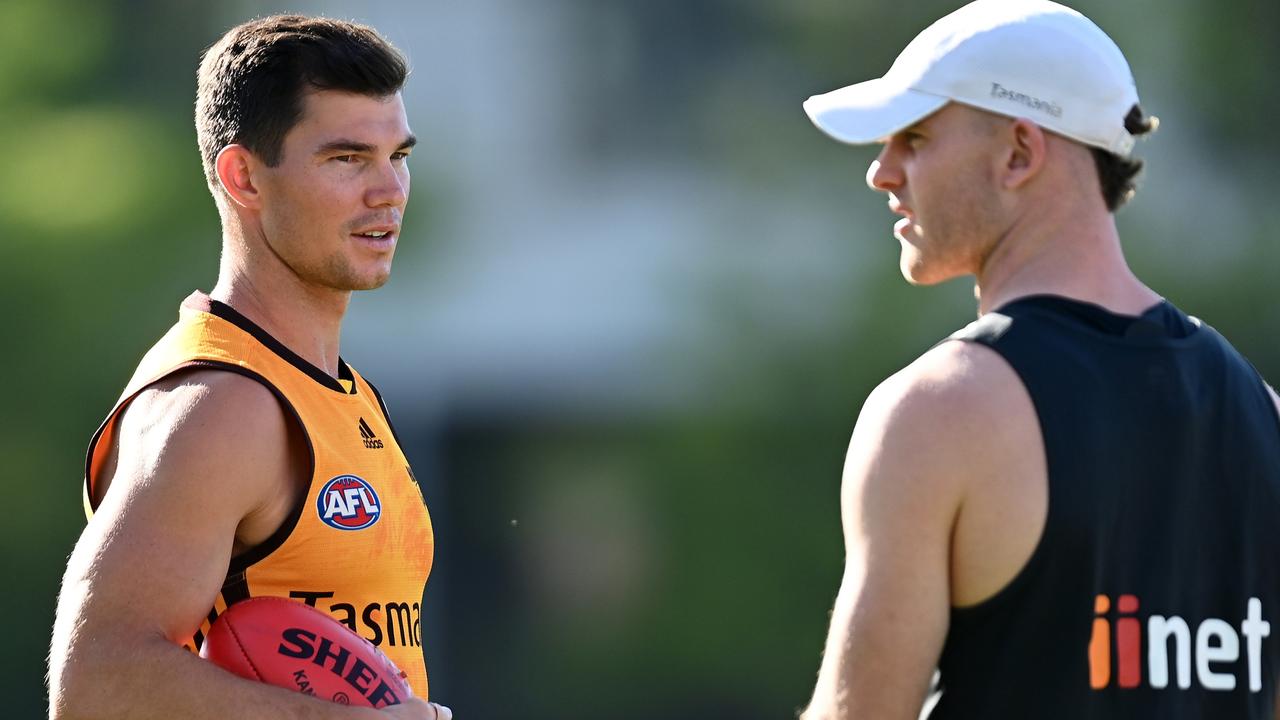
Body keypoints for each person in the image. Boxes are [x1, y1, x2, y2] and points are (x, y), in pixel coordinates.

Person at [797, 1, 1280, 718]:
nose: (882, 172)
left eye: (916, 137)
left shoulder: (938, 414)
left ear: (1020, 153)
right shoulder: (1263, 415)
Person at [49, 15, 449, 720]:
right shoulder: (222, 405)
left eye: (399, 155)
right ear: (244, 178)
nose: (389, 190)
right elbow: (93, 684)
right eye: (347, 159)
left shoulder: (338, 392)